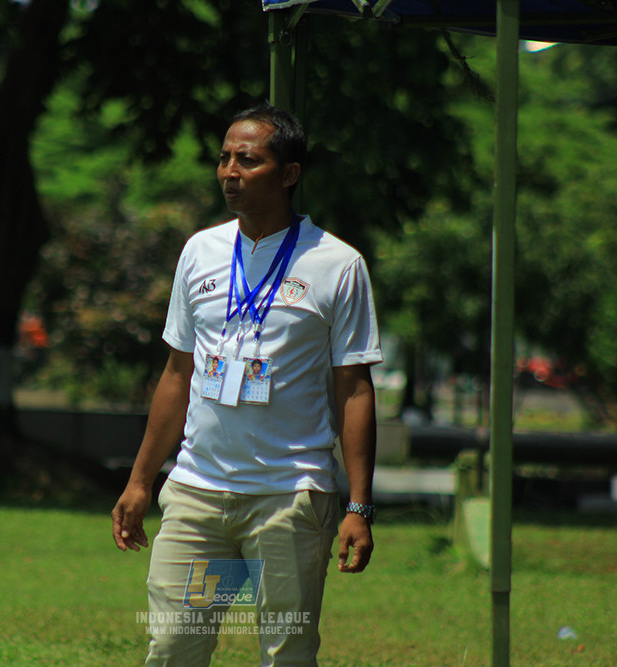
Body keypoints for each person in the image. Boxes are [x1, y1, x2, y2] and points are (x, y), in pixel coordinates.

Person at [111, 103, 382, 666]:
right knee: (173, 648)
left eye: (248, 160)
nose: (229, 171)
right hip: (197, 495)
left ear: (289, 174)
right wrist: (140, 482)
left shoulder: (337, 264)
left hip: (289, 499)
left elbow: (354, 388)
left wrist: (358, 505)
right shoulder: (200, 252)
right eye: (225, 158)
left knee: (286, 654)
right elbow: (177, 374)